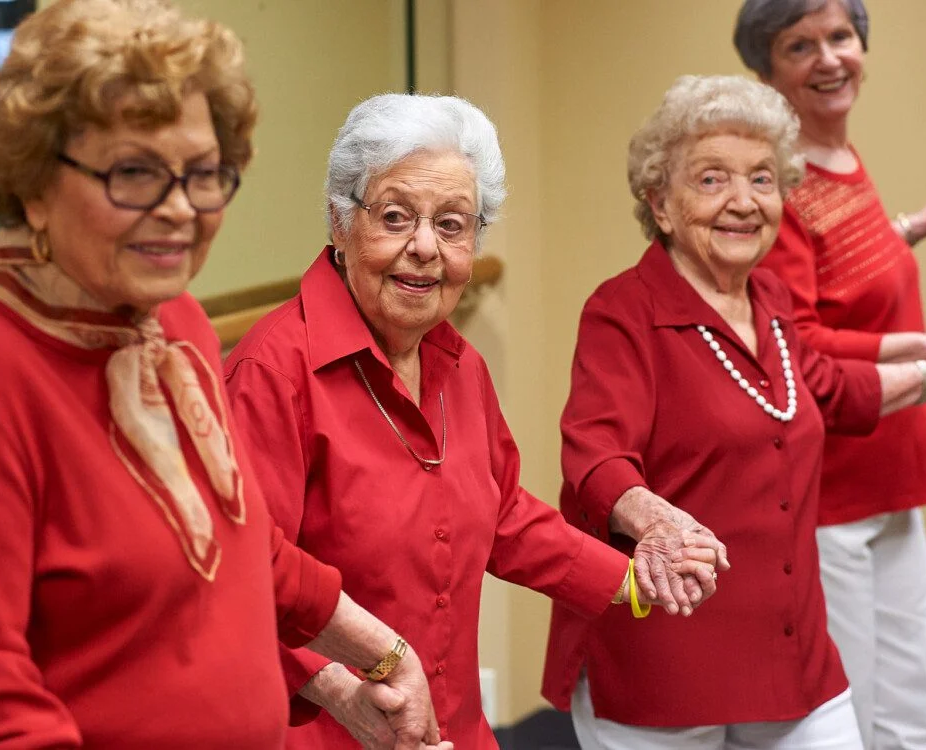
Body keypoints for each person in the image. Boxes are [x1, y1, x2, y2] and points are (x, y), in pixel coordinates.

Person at [0, 1, 450, 747]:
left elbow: (245, 551)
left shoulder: (175, 324)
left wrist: (380, 656)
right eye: (134, 172)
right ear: (35, 180)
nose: (179, 210)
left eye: (204, 174)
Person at [223, 92, 726, 749]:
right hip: (328, 726)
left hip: (452, 726)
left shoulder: (459, 366)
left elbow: (505, 516)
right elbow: (248, 576)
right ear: (340, 222)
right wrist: (337, 687)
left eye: (453, 224)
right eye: (396, 216)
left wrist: (633, 581)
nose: (424, 248)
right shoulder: (273, 370)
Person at [541, 74, 926, 750]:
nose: (741, 202)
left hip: (792, 658)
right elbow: (595, 455)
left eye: (761, 179)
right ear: (659, 203)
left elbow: (826, 388)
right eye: (711, 180)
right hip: (664, 661)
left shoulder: (771, 299)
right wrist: (656, 521)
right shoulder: (622, 313)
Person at [734, 2, 926, 746]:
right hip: (832, 493)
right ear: (765, 72)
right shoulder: (777, 187)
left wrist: (911, 227)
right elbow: (799, 343)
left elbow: (841, 276)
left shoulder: (841, 158)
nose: (827, 59)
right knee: (847, 720)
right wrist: (925, 356)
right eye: (799, 46)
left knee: (917, 710)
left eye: (840, 38)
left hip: (891, 473)